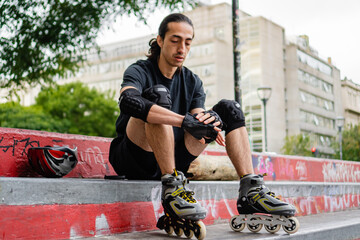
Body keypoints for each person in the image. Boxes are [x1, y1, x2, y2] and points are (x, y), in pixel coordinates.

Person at [109, 13, 297, 237]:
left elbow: (198, 119)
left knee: (230, 108)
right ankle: (173, 191)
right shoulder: (140, 70)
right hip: (135, 157)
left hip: (177, 157)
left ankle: (251, 190)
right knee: (157, 96)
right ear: (160, 40)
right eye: (175, 40)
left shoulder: (192, 81)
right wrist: (182, 120)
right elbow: (128, 101)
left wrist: (211, 121)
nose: (182, 48)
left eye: (188, 42)